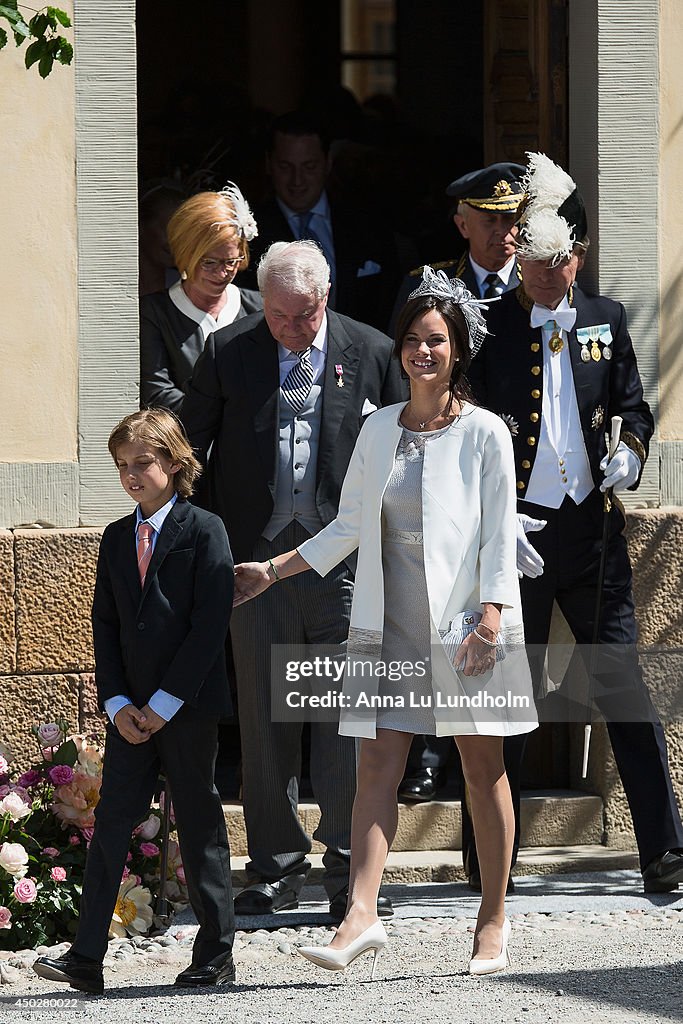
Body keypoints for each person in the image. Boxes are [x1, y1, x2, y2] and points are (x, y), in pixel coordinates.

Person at [233, 266, 537, 977]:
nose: (420, 351)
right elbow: (344, 527)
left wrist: (491, 617)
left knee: (480, 767)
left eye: (435, 340)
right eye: (411, 340)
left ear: (457, 348)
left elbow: (498, 534)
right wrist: (273, 571)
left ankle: (491, 919)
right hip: (387, 623)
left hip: (467, 625)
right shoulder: (376, 429)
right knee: (376, 768)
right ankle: (360, 915)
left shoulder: (485, 433)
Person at [468, 152, 683, 894]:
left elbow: (631, 404)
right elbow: (473, 425)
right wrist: (495, 516)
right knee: (508, 696)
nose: (540, 277)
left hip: (590, 537)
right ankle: (490, 858)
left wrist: (627, 450)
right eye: (528, 265)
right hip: (518, 538)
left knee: (619, 683)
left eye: (553, 264)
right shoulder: (491, 326)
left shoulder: (604, 318)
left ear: (575, 259)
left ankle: (663, 849)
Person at [180, 240, 405, 921]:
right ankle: (275, 867)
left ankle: (347, 872)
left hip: (343, 564)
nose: (287, 328)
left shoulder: (370, 352)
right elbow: (189, 446)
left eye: (301, 316)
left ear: (325, 298)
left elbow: (403, 456)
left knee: (344, 724)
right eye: (275, 314)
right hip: (257, 567)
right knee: (265, 719)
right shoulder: (231, 350)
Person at [33, 409, 237, 993]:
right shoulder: (116, 537)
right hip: (130, 717)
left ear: (175, 463)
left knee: (199, 825)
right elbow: (105, 625)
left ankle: (215, 954)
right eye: (122, 465)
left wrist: (165, 704)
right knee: (112, 825)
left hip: (186, 708)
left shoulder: (205, 530)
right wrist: (118, 702)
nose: (132, 475)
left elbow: (207, 625)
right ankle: (86, 956)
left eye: (143, 463)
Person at [396, 164, 527, 897]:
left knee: (495, 690)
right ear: (461, 221)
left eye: (512, 217)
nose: (505, 230)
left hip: (514, 489)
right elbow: (406, 385)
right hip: (443, 491)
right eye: (490, 216)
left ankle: (494, 891)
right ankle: (425, 756)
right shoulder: (430, 286)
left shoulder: (537, 284)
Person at [242, 111, 400, 330]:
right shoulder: (249, 234)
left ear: (327, 163)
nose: (297, 180)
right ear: (269, 164)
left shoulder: (366, 226)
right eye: (285, 167)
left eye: (309, 167)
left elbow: (390, 301)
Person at [140, 184, 262, 413]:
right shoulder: (155, 313)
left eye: (231, 262)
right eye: (209, 262)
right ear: (185, 254)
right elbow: (158, 393)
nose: (221, 273)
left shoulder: (259, 307)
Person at [390, 162, 526, 332]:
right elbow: (401, 352)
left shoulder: (540, 282)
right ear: (463, 226)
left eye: (510, 219)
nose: (502, 231)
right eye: (490, 220)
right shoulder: (425, 287)